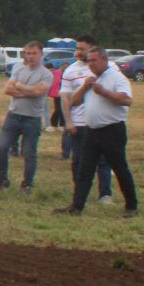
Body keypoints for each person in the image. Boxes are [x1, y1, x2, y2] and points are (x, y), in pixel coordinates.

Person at [57, 45, 139, 216]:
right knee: (85, 170)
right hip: (92, 131)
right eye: (89, 61)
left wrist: (104, 92)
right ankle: (76, 206)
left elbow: (126, 100)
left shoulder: (117, 77)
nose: (91, 64)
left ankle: (131, 206)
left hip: (112, 130)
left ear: (104, 60)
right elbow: (75, 102)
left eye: (94, 60)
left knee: (119, 169)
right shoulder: (91, 78)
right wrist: (84, 87)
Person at [61, 36, 114, 204]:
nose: (78, 52)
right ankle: (80, 193)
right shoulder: (70, 71)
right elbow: (65, 98)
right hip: (80, 123)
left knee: (103, 160)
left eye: (82, 49)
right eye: (77, 48)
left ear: (92, 49)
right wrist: (68, 121)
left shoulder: (109, 68)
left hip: (101, 122)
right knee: (79, 160)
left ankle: (105, 194)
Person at [0, 41, 53, 191]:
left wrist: (20, 86)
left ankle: (27, 183)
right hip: (13, 116)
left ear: (41, 54)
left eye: (34, 53)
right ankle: (2, 180)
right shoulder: (18, 68)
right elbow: (8, 89)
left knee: (28, 153)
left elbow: (38, 92)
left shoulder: (46, 74)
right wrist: (27, 92)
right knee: (1, 148)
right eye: (28, 53)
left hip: (32, 119)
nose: (30, 56)